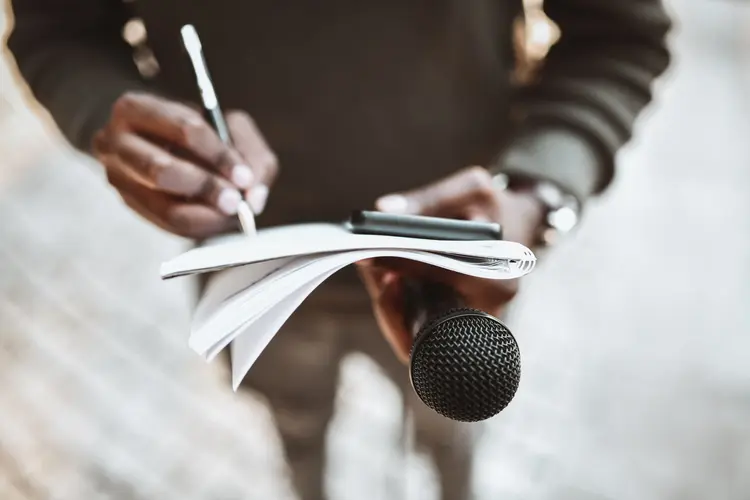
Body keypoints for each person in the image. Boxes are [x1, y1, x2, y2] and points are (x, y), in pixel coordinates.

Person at [6, 1, 672, 498]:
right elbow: (58, 31)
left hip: (446, 282)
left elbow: (620, 38)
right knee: (294, 421)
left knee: (450, 427)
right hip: (251, 268)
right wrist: (114, 117)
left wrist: (538, 193)